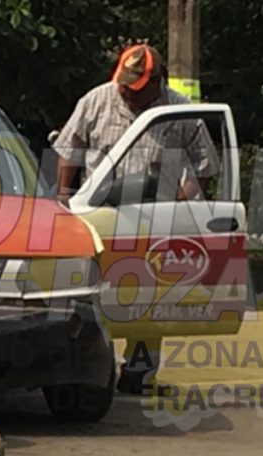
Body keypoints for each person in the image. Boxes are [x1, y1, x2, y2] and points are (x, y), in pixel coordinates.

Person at [52, 43, 220, 394]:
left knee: (149, 299)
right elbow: (70, 149)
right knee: (93, 296)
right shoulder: (96, 100)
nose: (127, 91)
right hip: (100, 218)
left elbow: (205, 164)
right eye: (124, 83)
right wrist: (64, 198)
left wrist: (181, 202)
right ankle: (90, 373)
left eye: (136, 86)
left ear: (157, 82)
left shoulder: (179, 112)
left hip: (155, 223)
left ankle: (139, 375)